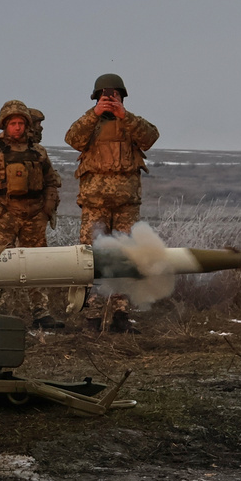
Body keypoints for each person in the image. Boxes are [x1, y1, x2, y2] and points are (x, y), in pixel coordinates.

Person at [64, 73, 160, 332]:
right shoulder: (90, 124)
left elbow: (151, 138)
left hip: (126, 205)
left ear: (122, 97)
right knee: (91, 260)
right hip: (95, 204)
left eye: (115, 95)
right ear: (97, 97)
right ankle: (92, 317)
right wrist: (94, 113)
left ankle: (120, 315)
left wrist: (124, 116)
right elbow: (72, 139)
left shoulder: (131, 124)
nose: (110, 99)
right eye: (106, 95)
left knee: (125, 258)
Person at [0, 100, 63, 328]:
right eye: (13, 123)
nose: (17, 127)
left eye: (21, 123)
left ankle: (41, 313)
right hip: (6, 217)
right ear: (5, 125)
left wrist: (46, 209)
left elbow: (51, 182)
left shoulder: (38, 152)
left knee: (37, 266)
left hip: (34, 217)